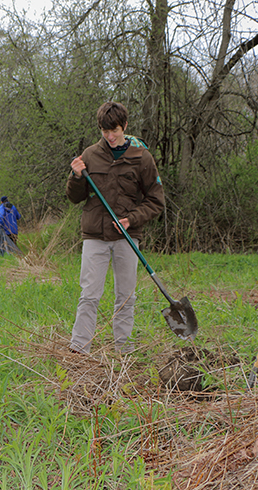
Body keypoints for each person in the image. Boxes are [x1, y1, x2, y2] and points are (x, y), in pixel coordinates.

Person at [67, 101, 165, 354]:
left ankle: (124, 348)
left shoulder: (142, 157)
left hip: (127, 237)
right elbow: (74, 197)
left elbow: (156, 201)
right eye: (104, 131)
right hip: (95, 236)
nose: (110, 137)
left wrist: (131, 219)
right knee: (89, 295)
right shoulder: (89, 155)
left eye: (115, 131)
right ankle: (80, 347)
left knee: (126, 297)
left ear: (125, 127)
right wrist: (76, 176)